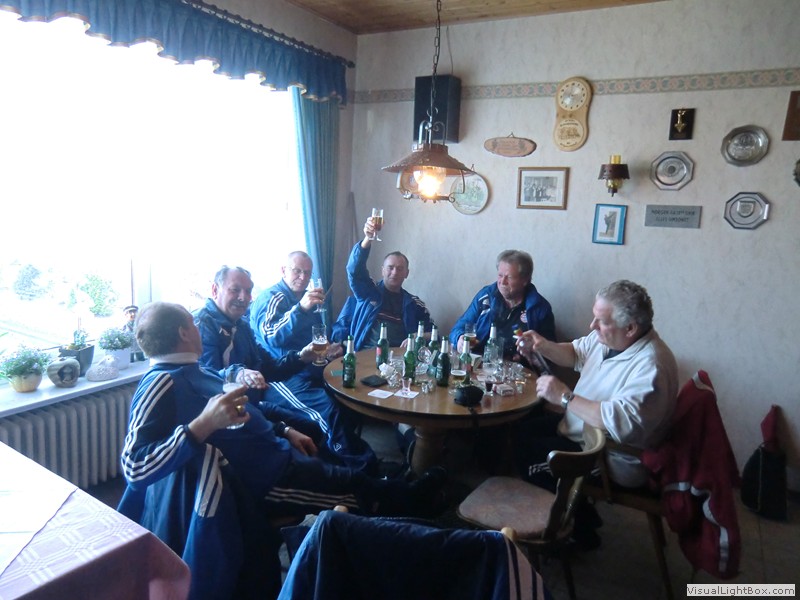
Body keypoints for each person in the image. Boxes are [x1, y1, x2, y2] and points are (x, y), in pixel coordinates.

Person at [120, 302, 448, 542]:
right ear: (182, 332)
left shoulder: (194, 369)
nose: (197, 327)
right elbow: (134, 466)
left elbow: (240, 398)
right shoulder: (160, 382)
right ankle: (413, 511)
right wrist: (202, 424)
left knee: (339, 466)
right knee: (352, 490)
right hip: (264, 480)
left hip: (277, 453)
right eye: (192, 323)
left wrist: (284, 430)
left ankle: (401, 492)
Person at [514, 279, 678, 548]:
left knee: (528, 458)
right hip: (581, 431)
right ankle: (583, 516)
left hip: (609, 456)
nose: (592, 326)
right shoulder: (611, 338)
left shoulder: (651, 366)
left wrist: (564, 396)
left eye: (600, 321)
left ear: (630, 328)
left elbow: (615, 424)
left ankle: (576, 530)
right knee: (521, 431)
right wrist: (541, 345)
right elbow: (576, 353)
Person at [194, 266, 376, 474]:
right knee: (327, 412)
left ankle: (342, 473)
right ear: (215, 290)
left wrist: (302, 356)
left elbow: (268, 367)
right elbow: (205, 379)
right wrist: (238, 373)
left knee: (318, 422)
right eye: (235, 290)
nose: (243, 297)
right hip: (237, 414)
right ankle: (363, 472)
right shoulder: (203, 325)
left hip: (257, 400)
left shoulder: (241, 325)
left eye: (248, 291)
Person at [249, 253, 377, 473]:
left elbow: (315, 338)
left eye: (307, 273)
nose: (302, 277)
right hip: (283, 376)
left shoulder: (307, 298)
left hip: (311, 368)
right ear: (283, 270)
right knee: (330, 409)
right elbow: (271, 336)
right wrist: (301, 308)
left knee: (351, 394)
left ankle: (337, 459)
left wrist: (329, 349)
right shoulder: (273, 297)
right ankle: (364, 470)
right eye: (297, 271)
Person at [450, 249, 555, 363]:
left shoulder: (540, 309)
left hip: (517, 370)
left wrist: (528, 356)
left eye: (509, 277)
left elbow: (549, 355)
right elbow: (458, 328)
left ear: (524, 280)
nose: (502, 282)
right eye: (500, 275)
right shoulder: (486, 297)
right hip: (479, 365)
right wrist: (459, 338)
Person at [344, 215, 431, 351]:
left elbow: (434, 334)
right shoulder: (368, 292)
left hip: (399, 358)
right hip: (366, 355)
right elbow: (354, 270)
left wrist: (417, 336)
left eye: (400, 269)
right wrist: (368, 238)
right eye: (390, 268)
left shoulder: (415, 304)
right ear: (382, 270)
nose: (395, 272)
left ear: (407, 273)